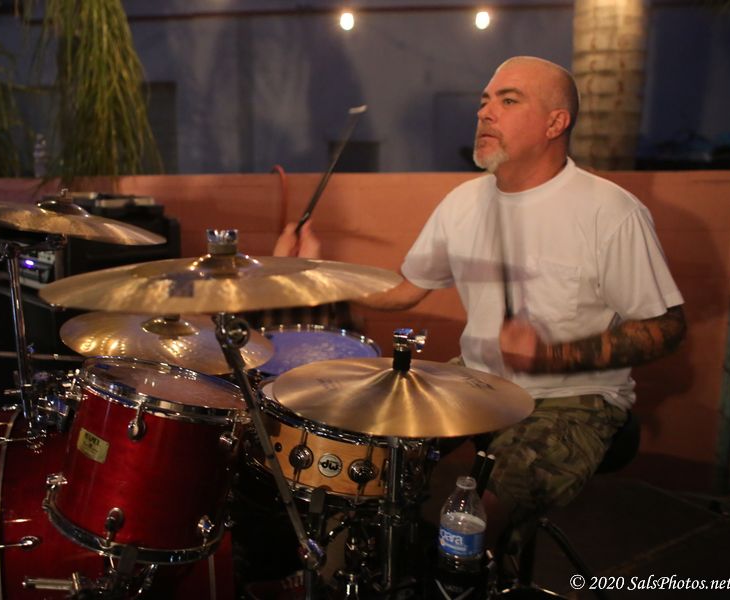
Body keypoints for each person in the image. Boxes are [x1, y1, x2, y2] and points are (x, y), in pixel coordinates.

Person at [275, 56, 686, 552]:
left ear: (555, 123)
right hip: (476, 379)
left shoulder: (610, 211)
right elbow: (405, 290)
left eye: (508, 101)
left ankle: (469, 571)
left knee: (473, 520)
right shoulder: (463, 203)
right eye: (486, 101)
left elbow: (666, 326)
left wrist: (553, 355)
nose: (485, 112)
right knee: (365, 460)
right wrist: (311, 274)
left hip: (573, 397)